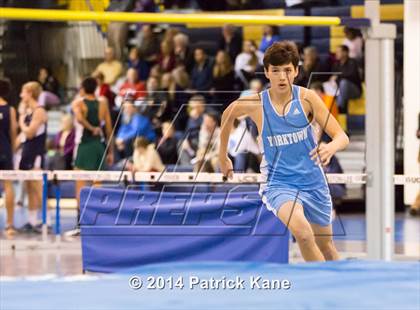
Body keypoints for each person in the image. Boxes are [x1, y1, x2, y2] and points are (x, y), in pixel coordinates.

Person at [219, 41, 349, 262]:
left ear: (296, 71)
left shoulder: (307, 98)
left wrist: (331, 146)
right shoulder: (257, 103)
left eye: (287, 70)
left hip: (313, 181)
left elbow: (342, 136)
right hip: (279, 183)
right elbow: (228, 114)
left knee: (326, 245)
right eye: (276, 71)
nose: (282, 77)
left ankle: (340, 286)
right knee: (303, 234)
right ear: (267, 73)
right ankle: (322, 284)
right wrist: (223, 156)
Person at [71, 77, 114, 235]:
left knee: (80, 187)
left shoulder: (78, 103)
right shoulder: (103, 103)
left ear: (82, 88)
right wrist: (110, 152)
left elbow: (79, 119)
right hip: (99, 147)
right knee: (97, 185)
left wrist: (91, 128)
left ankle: (80, 223)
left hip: (85, 146)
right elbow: (109, 129)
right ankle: (97, 222)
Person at [18, 82, 48, 233]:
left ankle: (46, 221)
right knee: (29, 187)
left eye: (23, 92)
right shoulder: (28, 111)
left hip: (36, 153)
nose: (20, 95)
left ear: (30, 93)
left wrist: (21, 122)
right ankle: (32, 221)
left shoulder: (39, 111)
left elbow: (29, 132)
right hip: (27, 152)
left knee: (38, 188)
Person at [0, 79, 17, 236]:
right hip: (5, 150)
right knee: (8, 186)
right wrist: (11, 151)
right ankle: (10, 224)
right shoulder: (10, 110)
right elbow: (13, 132)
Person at [330, 45, 362, 114]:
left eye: (339, 52)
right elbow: (334, 78)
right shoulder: (336, 65)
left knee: (343, 83)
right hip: (340, 90)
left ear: (345, 53)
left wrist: (338, 76)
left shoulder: (352, 62)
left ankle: (339, 108)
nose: (336, 53)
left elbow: (351, 75)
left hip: (354, 90)